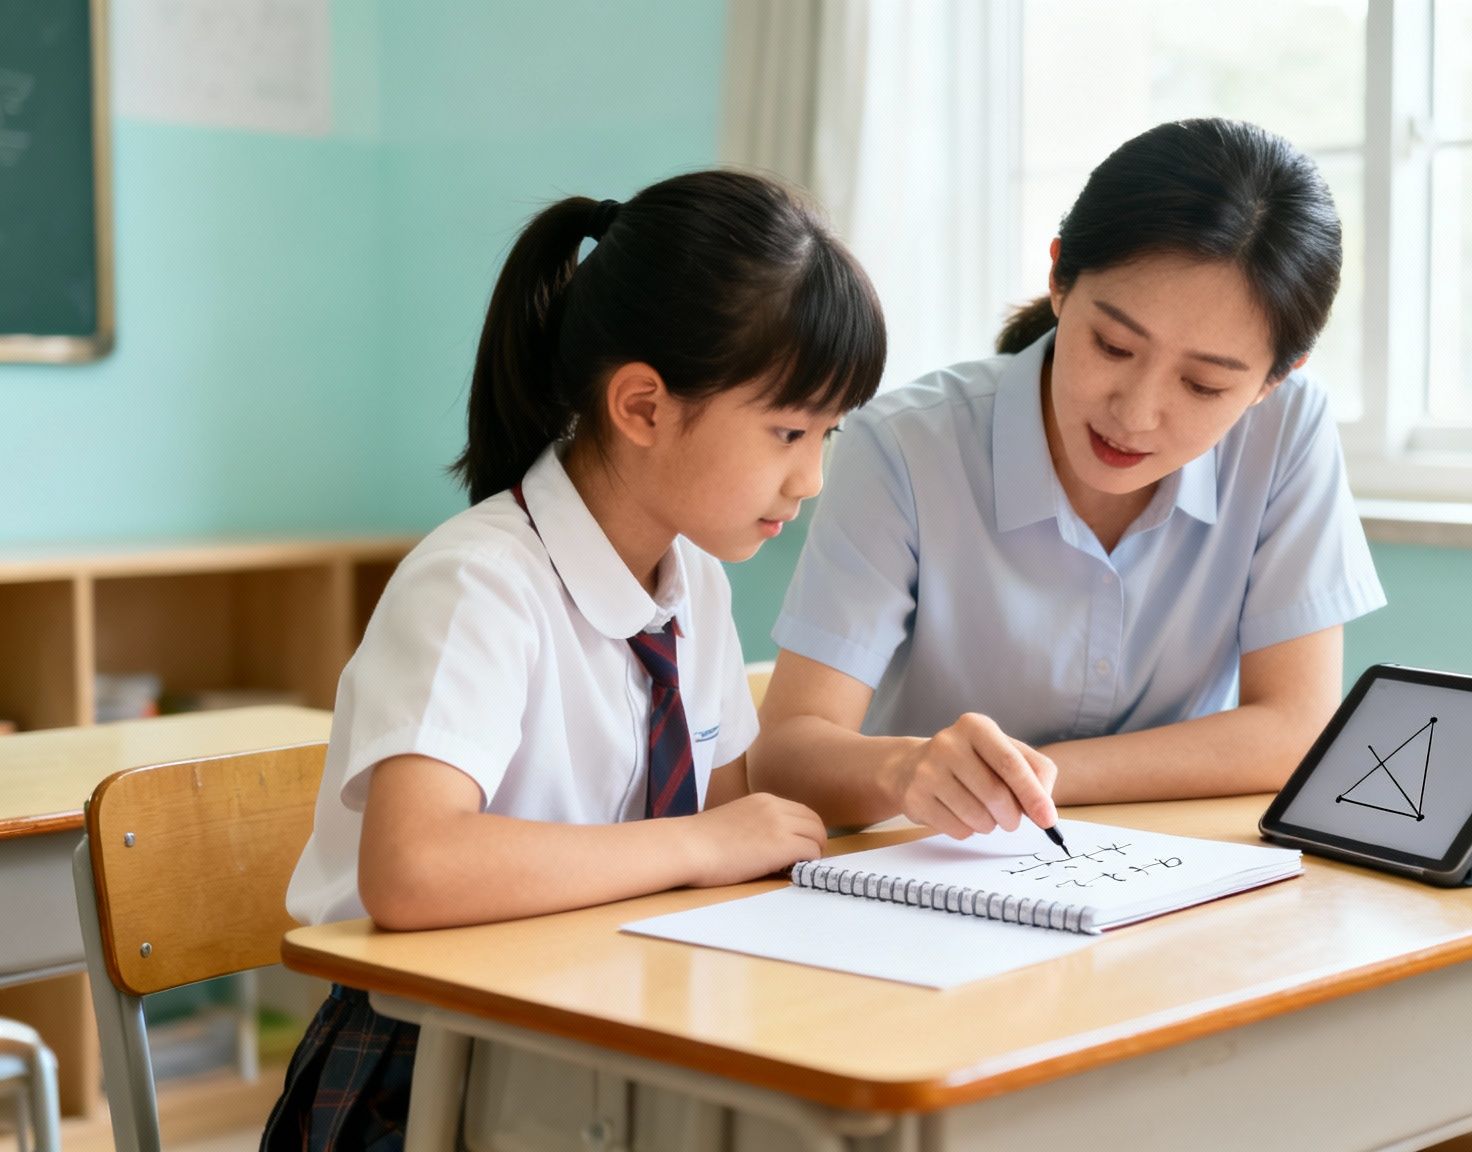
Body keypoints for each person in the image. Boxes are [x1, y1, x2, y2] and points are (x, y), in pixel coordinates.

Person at [263, 169, 886, 1151]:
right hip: (430, 1066)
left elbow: (729, 831)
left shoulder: (695, 584)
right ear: (641, 406)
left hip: (609, 1016)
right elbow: (413, 870)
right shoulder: (479, 584)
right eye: (786, 432)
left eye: (829, 435)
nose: (810, 478)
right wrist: (695, 848)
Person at [752, 118, 1384, 840]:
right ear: (1058, 278)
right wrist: (909, 772)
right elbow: (787, 755)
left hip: (1175, 871)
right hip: (934, 873)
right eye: (1113, 345)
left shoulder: (1288, 431)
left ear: (1276, 379)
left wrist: (1030, 779)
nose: (1137, 414)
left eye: (1205, 386)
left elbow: (1295, 730)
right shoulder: (904, 445)